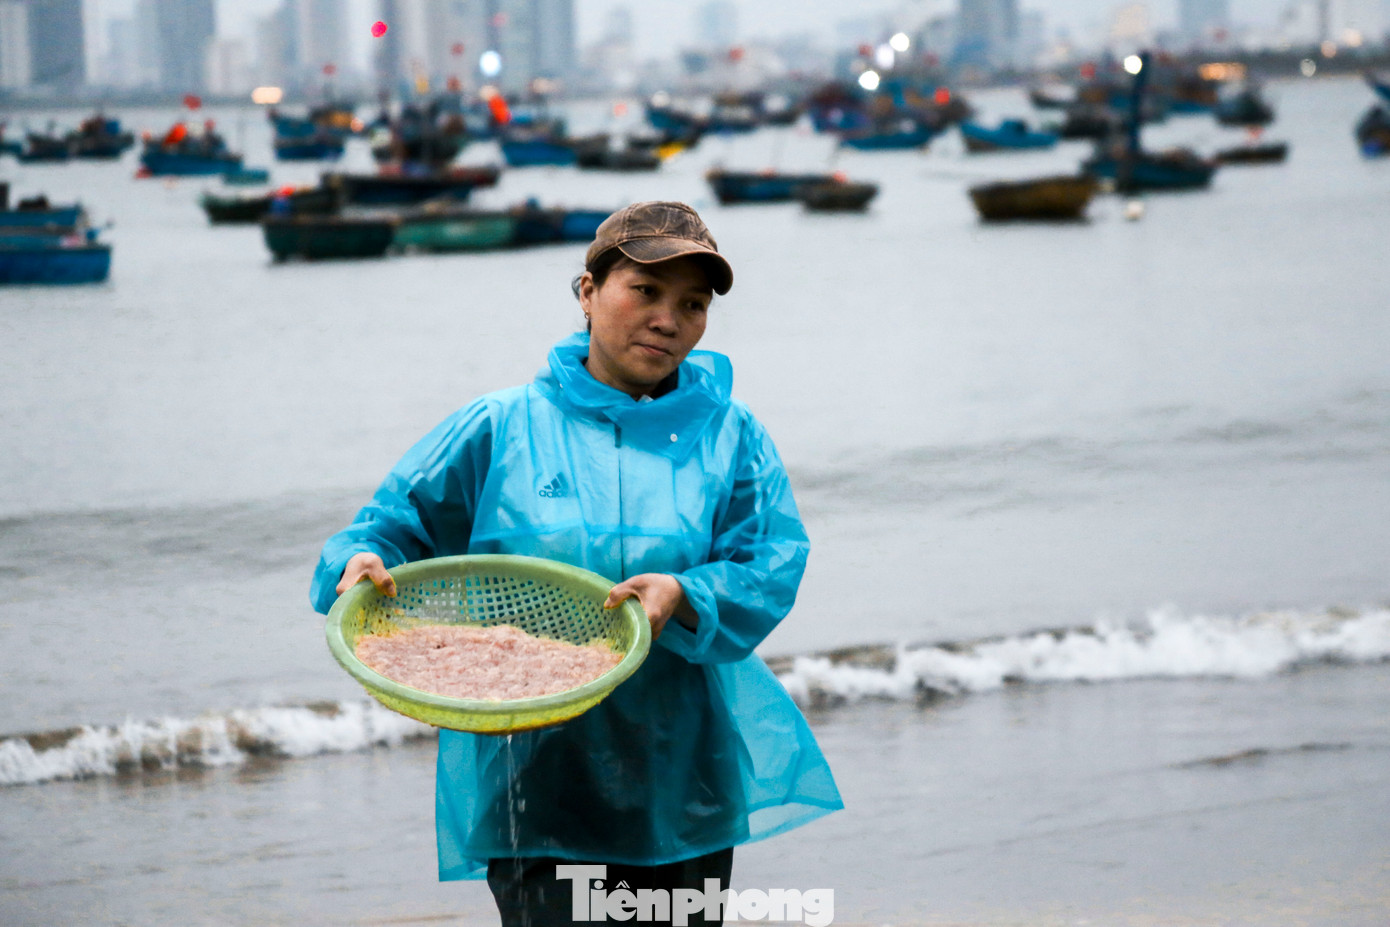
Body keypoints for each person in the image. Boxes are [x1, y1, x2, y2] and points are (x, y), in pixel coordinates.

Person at [310, 201, 843, 926]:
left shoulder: (731, 434)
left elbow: (771, 560)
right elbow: (387, 529)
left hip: (684, 771)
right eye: (645, 290)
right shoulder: (501, 425)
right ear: (589, 291)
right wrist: (360, 561)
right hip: (538, 773)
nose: (668, 320)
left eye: (692, 304)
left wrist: (686, 592)